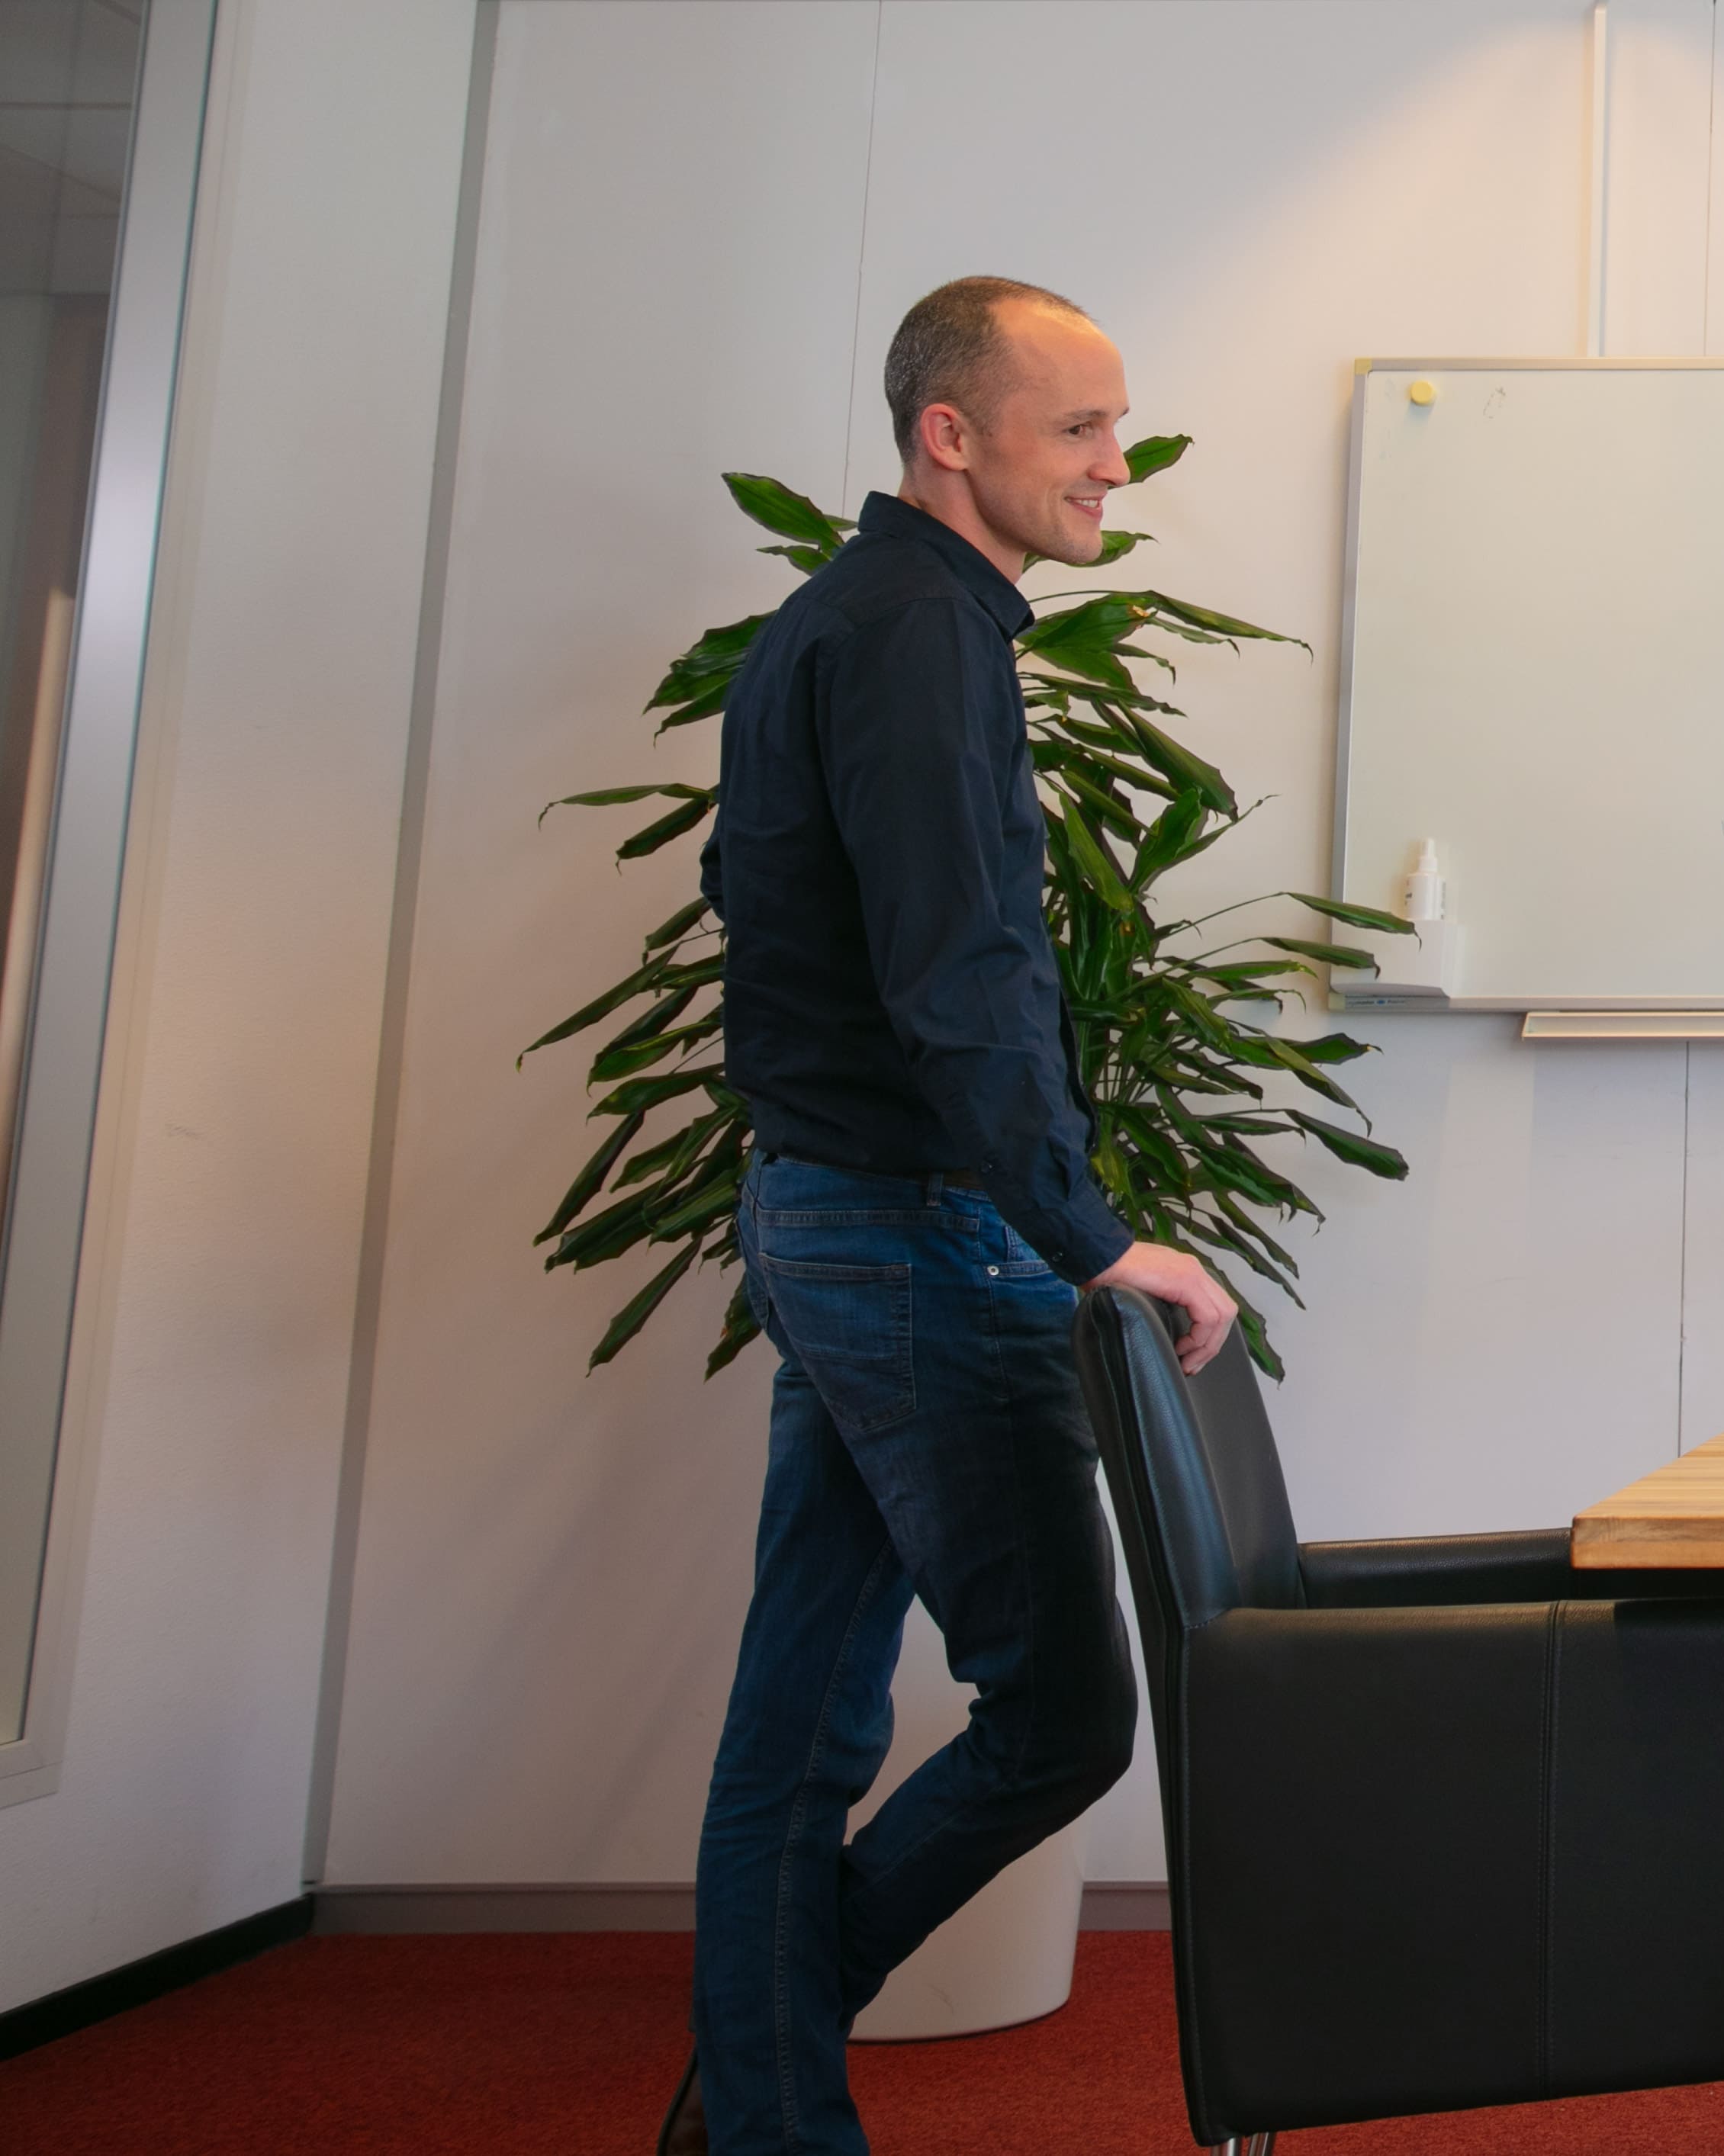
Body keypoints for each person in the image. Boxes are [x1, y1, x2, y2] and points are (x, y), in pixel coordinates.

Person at [667, 277, 1243, 2156]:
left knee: (807, 1717)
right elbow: (959, 976)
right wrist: (1090, 1235)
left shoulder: (845, 621)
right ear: (951, 435)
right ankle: (771, 2056)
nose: (1112, 462)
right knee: (1062, 1715)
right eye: (1078, 426)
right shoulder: (913, 634)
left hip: (835, 1215)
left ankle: (759, 2105)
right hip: (912, 1235)